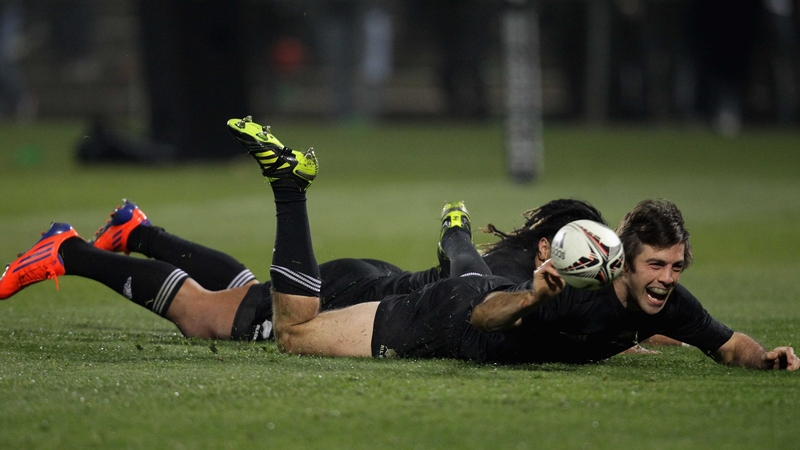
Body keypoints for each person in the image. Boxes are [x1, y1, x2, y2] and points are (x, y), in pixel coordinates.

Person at [218, 116, 796, 369]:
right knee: (295, 336)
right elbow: (484, 314)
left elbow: (724, 343)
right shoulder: (571, 288)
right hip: (446, 320)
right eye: (655, 265)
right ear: (622, 263)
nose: (667, 278)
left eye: (674, 266)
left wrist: (762, 356)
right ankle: (289, 190)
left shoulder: (666, 301)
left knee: (462, 263)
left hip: (469, 295)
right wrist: (531, 299)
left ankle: (452, 230)